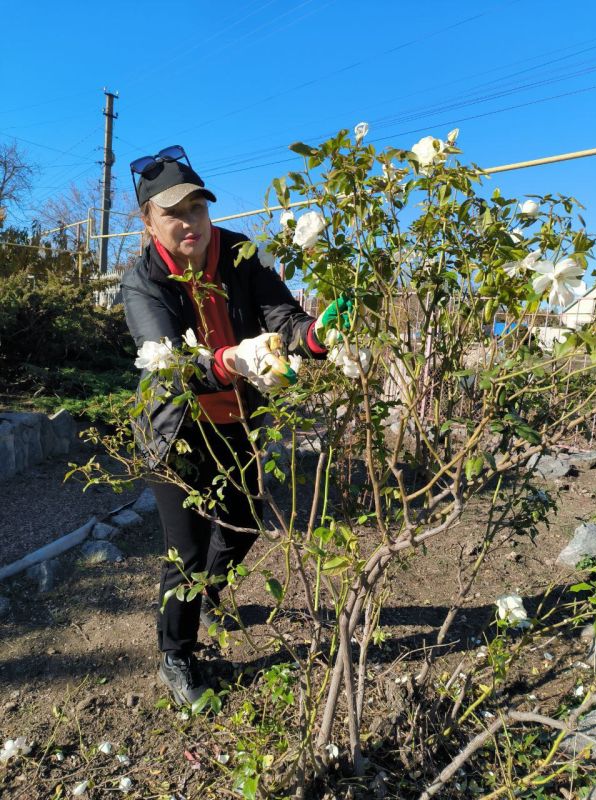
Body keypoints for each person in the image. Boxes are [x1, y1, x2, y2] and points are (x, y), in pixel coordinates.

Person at [121, 145, 351, 706]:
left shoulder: (240, 255)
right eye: (172, 213)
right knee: (188, 551)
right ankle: (176, 654)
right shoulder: (143, 280)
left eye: (196, 209)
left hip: (237, 422)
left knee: (245, 521)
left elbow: (282, 317)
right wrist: (228, 360)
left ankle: (214, 596)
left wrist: (313, 338)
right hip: (175, 430)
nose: (188, 222)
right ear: (149, 222)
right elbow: (169, 358)